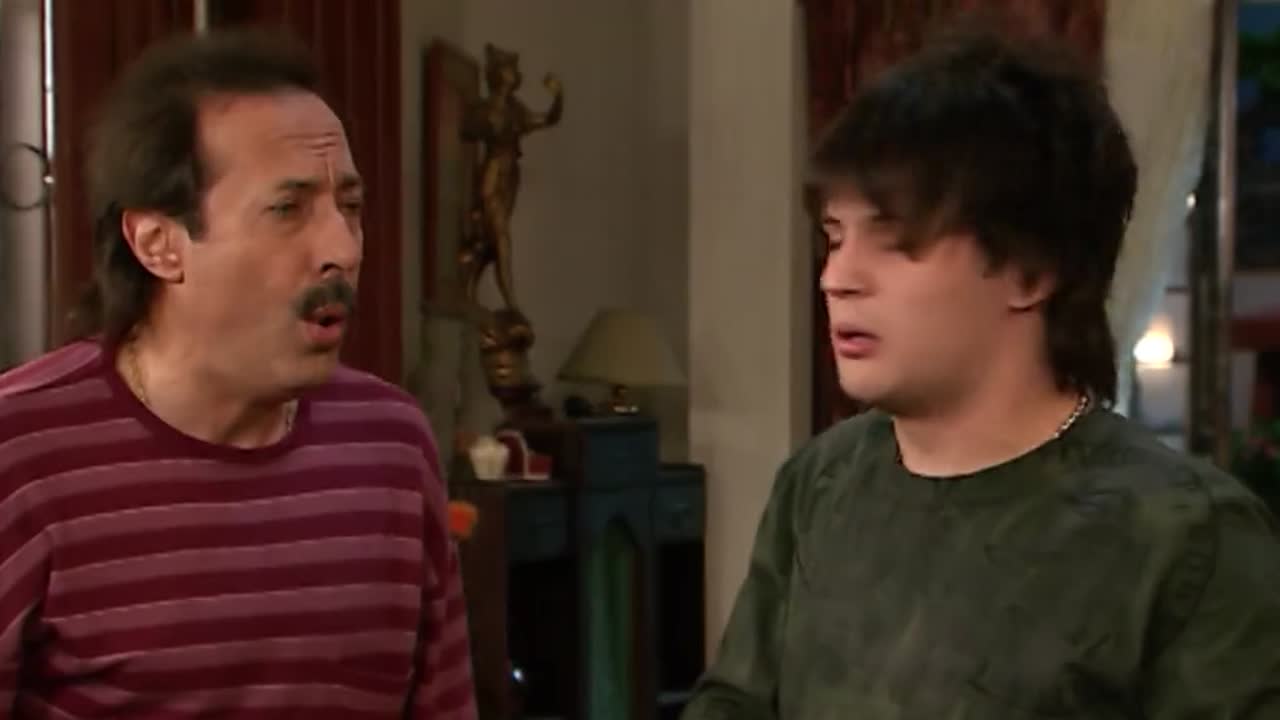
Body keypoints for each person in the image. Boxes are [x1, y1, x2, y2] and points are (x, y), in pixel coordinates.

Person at [682, 23, 1280, 720]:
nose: (837, 278)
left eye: (893, 240)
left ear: (1030, 269)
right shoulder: (819, 482)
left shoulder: (1187, 537)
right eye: (835, 238)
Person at [0, 30, 476, 719]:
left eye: (349, 206)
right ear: (159, 244)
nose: (342, 249)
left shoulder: (393, 446)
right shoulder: (20, 452)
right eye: (288, 209)